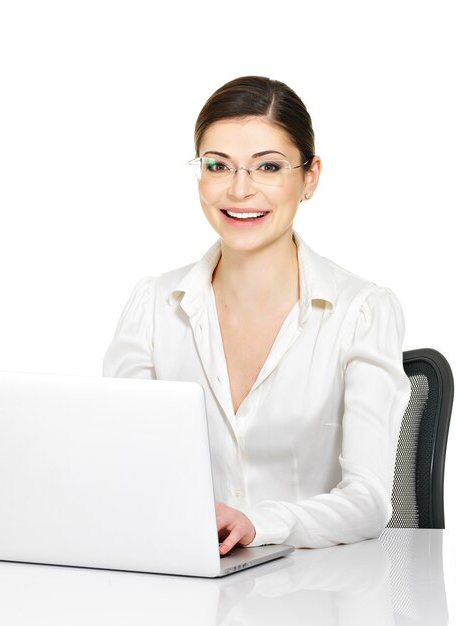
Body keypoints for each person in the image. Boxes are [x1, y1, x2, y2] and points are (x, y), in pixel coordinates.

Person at [102, 76, 411, 553]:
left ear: (310, 178)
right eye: (218, 166)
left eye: (268, 166)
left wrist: (258, 522)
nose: (240, 190)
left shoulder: (362, 311)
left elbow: (369, 501)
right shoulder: (153, 306)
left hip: (318, 594)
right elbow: (122, 466)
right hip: (185, 586)